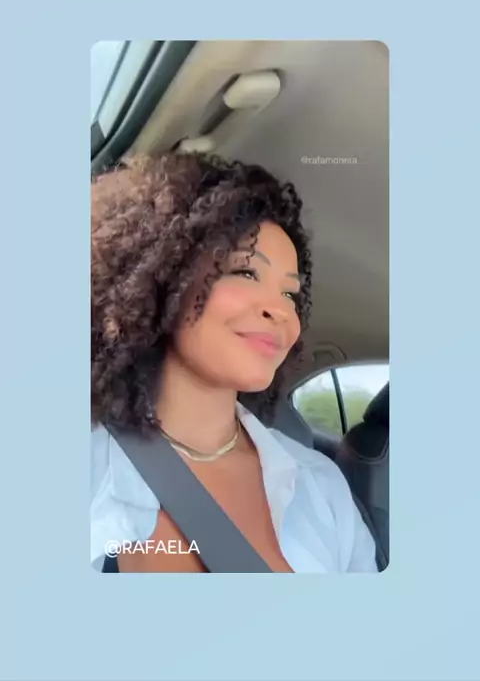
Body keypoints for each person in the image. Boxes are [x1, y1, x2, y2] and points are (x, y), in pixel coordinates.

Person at [91, 152, 377, 573]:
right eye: (246, 273)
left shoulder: (321, 485)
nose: (281, 311)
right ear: (165, 276)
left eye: (290, 294)